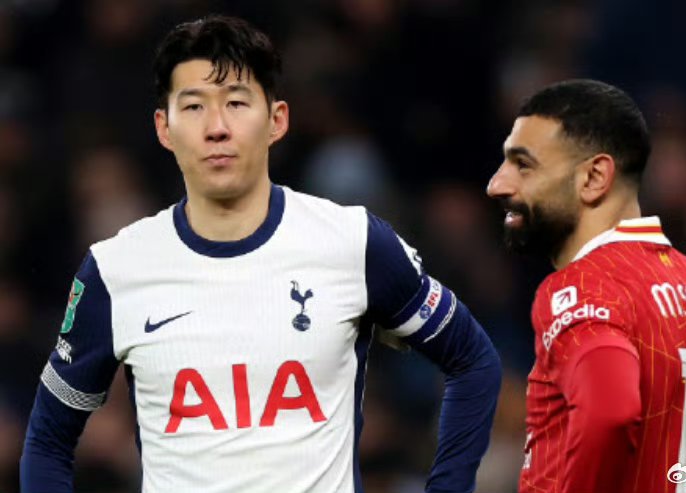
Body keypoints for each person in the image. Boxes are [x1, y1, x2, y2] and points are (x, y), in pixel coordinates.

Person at [21, 15, 501, 493]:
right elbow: (47, 441)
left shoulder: (352, 242)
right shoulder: (116, 269)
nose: (217, 127)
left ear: (277, 120)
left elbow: (473, 360)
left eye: (236, 102)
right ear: (164, 128)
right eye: (193, 106)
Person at [486, 79, 686, 493]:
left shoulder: (583, 288)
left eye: (524, 165)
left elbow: (610, 411)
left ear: (594, 177)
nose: (497, 184)